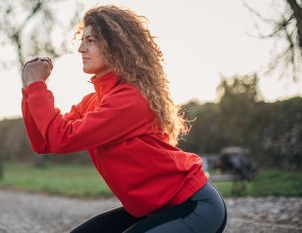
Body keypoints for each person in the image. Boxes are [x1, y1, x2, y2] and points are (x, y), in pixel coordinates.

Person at [21, 5, 227, 233]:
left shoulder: (131, 98)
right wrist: (31, 90)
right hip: (156, 208)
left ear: (115, 45)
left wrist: (36, 86)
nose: (81, 48)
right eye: (82, 40)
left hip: (195, 207)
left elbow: (63, 138)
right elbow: (45, 142)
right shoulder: (93, 101)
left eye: (91, 40)